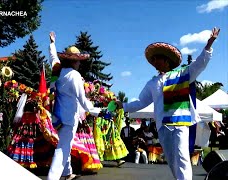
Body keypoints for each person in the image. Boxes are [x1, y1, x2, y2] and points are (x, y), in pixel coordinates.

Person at [117, 27, 220, 180]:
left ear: (166, 61)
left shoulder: (182, 74)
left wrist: (209, 45)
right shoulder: (152, 83)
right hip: (162, 127)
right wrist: (122, 105)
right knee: (172, 162)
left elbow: (199, 64)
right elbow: (140, 102)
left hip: (179, 123)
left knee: (182, 159)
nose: (154, 61)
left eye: (157, 58)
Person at [47, 32, 97, 180]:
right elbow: (83, 101)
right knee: (63, 148)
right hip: (69, 118)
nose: (80, 63)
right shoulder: (74, 76)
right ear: (75, 61)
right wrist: (99, 111)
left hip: (58, 116)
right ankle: (52, 177)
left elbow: (53, 57)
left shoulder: (58, 70)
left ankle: (67, 172)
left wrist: (52, 43)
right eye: (78, 61)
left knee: (65, 144)